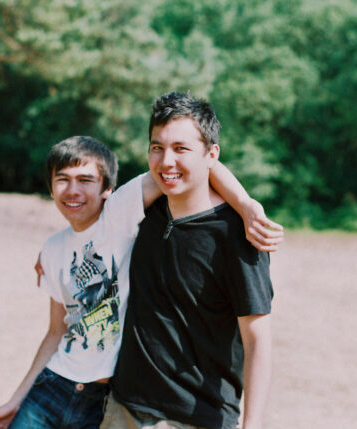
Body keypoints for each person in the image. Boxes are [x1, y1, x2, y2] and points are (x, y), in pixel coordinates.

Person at [0, 135, 283, 429]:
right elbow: (55, 331)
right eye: (62, 180)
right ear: (50, 188)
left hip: (104, 397)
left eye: (86, 180)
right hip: (52, 384)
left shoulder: (120, 215)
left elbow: (201, 163)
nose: (73, 190)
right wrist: (16, 399)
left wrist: (245, 204)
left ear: (107, 190)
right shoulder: (52, 249)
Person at [102, 91, 275, 429]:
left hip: (198, 418)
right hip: (124, 409)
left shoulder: (238, 236)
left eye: (181, 148)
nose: (167, 161)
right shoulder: (143, 210)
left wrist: (251, 426)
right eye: (157, 147)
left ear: (212, 155)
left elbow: (258, 340)